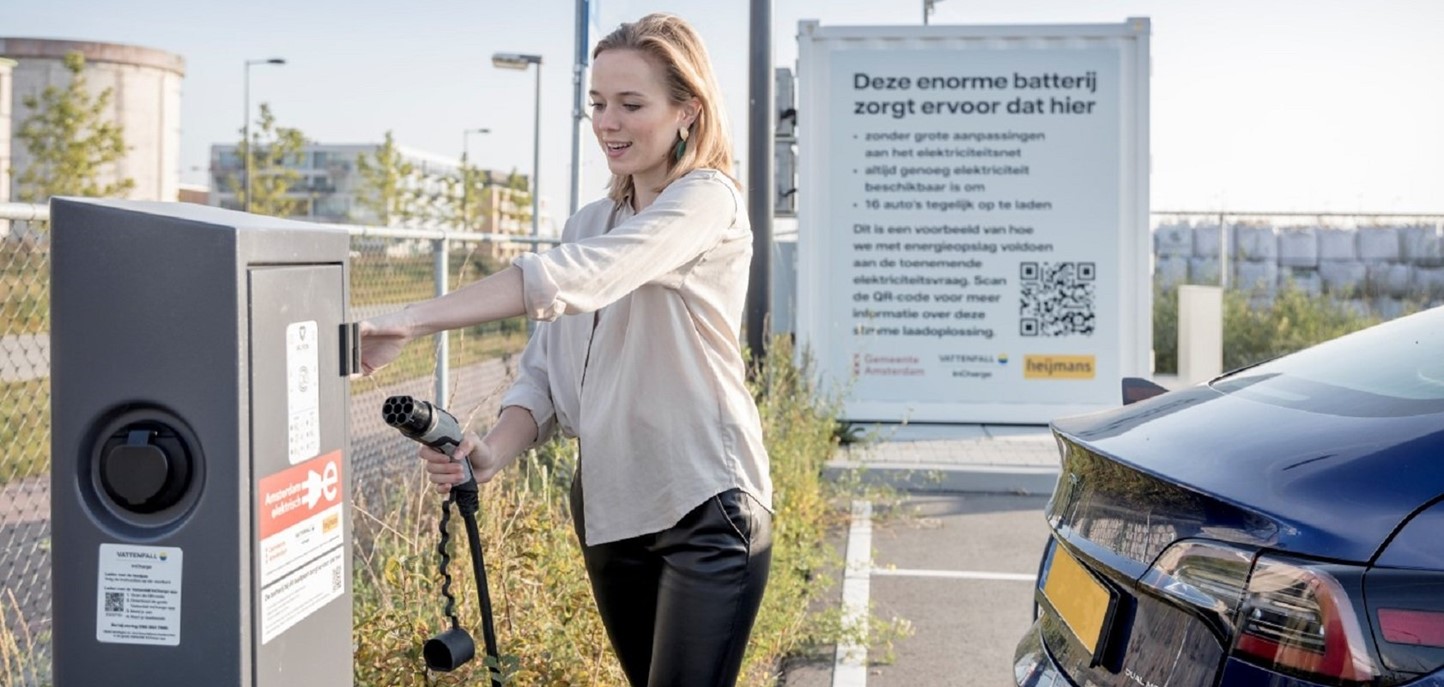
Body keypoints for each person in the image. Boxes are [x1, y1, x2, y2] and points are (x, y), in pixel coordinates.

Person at [358, 13, 772, 687]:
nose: (608, 122)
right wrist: (489, 451)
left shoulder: (707, 201)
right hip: (611, 509)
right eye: (598, 105)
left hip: (706, 506)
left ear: (687, 111)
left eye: (631, 104)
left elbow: (579, 278)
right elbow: (544, 378)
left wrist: (414, 319)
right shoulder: (589, 223)